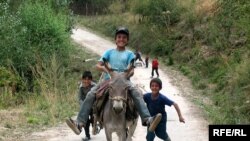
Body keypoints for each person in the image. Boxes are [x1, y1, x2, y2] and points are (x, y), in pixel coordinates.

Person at [66, 27, 162, 135]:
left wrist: (125, 74)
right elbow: (98, 65)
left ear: (127, 40)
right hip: (109, 80)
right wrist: (105, 69)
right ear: (115, 39)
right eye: (119, 37)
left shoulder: (130, 54)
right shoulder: (109, 52)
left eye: (124, 37)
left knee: (137, 93)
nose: (121, 39)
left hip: (124, 81)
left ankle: (148, 120)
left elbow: (132, 71)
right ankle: (80, 123)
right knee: (91, 94)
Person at [78, 71, 96, 140]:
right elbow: (80, 98)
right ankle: (87, 135)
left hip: (93, 105)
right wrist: (83, 106)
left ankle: (94, 126)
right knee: (86, 120)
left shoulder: (94, 86)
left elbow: (96, 97)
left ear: (91, 80)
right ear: (82, 79)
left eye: (88, 79)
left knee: (93, 118)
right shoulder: (81, 87)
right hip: (85, 107)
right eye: (85, 79)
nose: (86, 81)